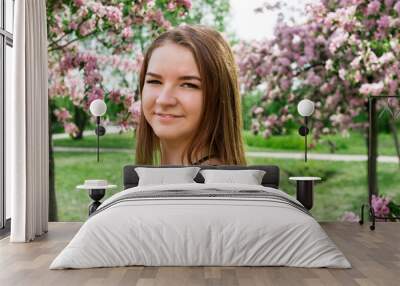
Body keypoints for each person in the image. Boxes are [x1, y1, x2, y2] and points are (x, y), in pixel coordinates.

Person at [135, 24, 246, 166]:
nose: (164, 100)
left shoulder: (215, 187)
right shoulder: (156, 181)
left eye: (188, 85)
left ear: (219, 96)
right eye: (154, 81)